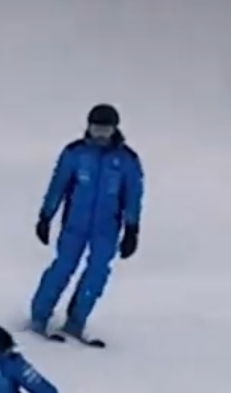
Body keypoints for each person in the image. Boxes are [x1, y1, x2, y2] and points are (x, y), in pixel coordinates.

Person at [27, 103, 144, 346]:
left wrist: (132, 229)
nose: (100, 135)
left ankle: (76, 322)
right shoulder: (75, 154)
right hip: (75, 225)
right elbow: (57, 185)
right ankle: (39, 317)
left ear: (114, 130)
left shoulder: (126, 161)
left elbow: (133, 195)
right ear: (88, 128)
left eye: (105, 130)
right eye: (96, 129)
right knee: (63, 267)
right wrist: (45, 216)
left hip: (106, 228)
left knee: (97, 272)